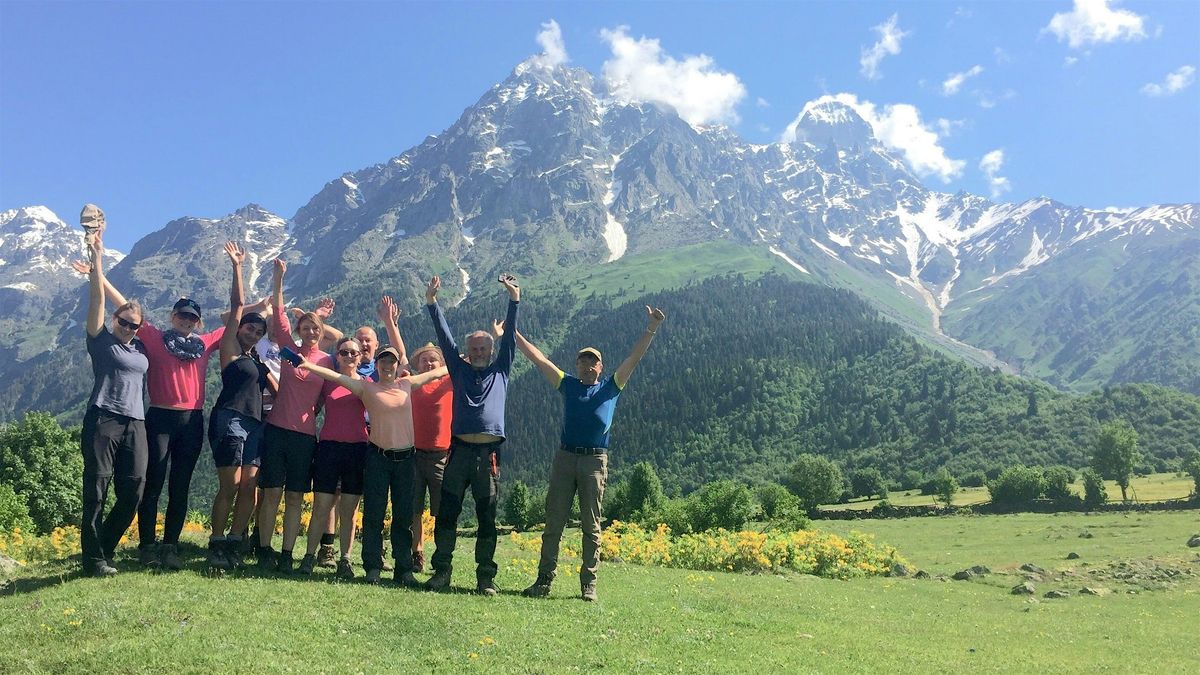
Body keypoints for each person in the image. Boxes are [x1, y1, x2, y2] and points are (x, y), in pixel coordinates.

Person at [516, 305, 666, 602]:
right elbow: (539, 359)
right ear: (576, 365)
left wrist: (652, 327)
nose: (587, 366)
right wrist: (513, 334)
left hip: (595, 461)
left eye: (592, 362)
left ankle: (589, 584)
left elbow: (634, 358)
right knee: (554, 522)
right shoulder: (567, 384)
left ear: (601, 366)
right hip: (565, 458)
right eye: (583, 362)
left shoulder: (612, 386)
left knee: (591, 525)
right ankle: (544, 581)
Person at [296, 303, 446, 586]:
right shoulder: (367, 387)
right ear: (377, 364)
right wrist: (307, 365)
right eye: (384, 362)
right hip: (377, 457)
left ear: (397, 365)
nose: (388, 366)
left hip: (406, 459)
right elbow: (336, 376)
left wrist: (462, 363)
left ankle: (403, 570)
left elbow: (437, 373)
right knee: (374, 514)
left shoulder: (407, 383)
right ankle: (372, 567)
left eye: (392, 362)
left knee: (403, 516)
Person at [423, 273, 519, 595]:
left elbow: (510, 339)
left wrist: (514, 300)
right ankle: (442, 571)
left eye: (483, 348)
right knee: (447, 513)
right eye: (473, 348)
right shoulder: (458, 369)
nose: (478, 352)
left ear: (491, 350)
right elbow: (444, 337)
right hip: (459, 452)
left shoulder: (501, 370)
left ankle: (485, 578)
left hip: (488, 456)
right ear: (467, 351)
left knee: (486, 518)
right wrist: (432, 303)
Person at [256, 258, 333, 573]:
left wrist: (318, 315)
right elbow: (278, 313)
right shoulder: (289, 350)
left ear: (321, 332)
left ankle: (287, 554)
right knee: (271, 493)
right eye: (306, 327)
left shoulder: (327, 361)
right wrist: (278, 278)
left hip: (305, 437)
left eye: (315, 328)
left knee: (295, 498)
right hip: (276, 430)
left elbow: (328, 396)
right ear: (299, 331)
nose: (310, 332)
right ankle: (264, 550)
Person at [80, 232, 148, 577]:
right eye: (123, 322)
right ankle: (93, 561)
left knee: (134, 489)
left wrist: (132, 312)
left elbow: (132, 312)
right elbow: (98, 301)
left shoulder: (140, 346)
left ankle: (104, 547)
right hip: (103, 418)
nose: (128, 328)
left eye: (134, 325)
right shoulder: (101, 340)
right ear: (113, 321)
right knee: (96, 490)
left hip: (135, 422)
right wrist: (97, 262)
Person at [207, 242, 274, 570]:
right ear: (240, 328)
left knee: (250, 486)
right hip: (230, 418)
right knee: (230, 485)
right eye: (249, 327)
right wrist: (237, 266)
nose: (253, 333)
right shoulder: (230, 349)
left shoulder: (258, 360)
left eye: (259, 331)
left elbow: (277, 390)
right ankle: (216, 542)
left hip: (256, 424)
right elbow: (236, 306)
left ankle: (235, 542)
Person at [297, 336, 370, 579]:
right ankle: (309, 556)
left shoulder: (367, 383)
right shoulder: (327, 381)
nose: (349, 356)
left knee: (349, 510)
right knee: (321, 505)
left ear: (360, 357)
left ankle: (345, 559)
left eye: (353, 353)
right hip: (329, 448)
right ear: (336, 356)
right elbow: (311, 405)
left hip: (357, 449)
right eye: (344, 352)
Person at [408, 342, 453, 573]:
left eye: (433, 359)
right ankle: (417, 553)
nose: (428, 363)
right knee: (413, 508)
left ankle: (441, 555)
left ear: (441, 364)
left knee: (442, 510)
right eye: (423, 359)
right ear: (416, 364)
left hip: (441, 455)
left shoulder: (450, 381)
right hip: (414, 454)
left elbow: (466, 361)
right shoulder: (411, 382)